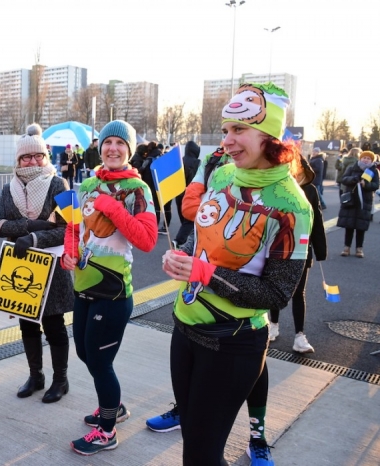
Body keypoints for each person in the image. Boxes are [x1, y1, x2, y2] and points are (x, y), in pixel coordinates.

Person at [161, 82, 311, 465]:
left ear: (270, 136)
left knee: (200, 455)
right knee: (195, 447)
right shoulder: (223, 175)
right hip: (184, 328)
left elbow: (277, 293)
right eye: (225, 130)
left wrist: (203, 272)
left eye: (238, 130)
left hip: (233, 343)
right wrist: (184, 260)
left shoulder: (292, 205)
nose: (226, 141)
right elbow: (206, 245)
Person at [61, 120, 158, 456]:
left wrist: (114, 208)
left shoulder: (137, 190)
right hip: (84, 286)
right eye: (107, 142)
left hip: (114, 293)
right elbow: (74, 227)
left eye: (120, 143)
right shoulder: (87, 184)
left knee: (100, 362)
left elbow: (146, 241)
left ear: (129, 150)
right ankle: (113, 408)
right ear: (99, 148)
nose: (113, 148)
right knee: (85, 353)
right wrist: (70, 253)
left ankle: (106, 431)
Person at [0, 124, 73, 403]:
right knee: (27, 323)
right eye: (27, 157)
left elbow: (68, 228)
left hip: (51, 265)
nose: (33, 162)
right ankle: (35, 375)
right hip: (21, 266)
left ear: (46, 157)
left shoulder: (58, 184)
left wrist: (34, 237)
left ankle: (60, 379)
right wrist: (28, 224)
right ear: (18, 160)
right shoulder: (8, 187)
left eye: (38, 156)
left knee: (54, 325)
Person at [270, 155, 327, 353]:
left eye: (297, 170)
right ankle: (273, 325)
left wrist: (320, 251)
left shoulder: (310, 190)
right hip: (277, 248)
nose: (294, 174)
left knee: (299, 292)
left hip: (302, 250)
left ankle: (299, 336)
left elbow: (317, 221)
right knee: (273, 287)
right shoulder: (276, 188)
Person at [337, 150, 379, 258]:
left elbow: (376, 185)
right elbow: (344, 179)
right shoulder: (352, 167)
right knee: (349, 225)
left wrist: (366, 185)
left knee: (361, 227)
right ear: (360, 158)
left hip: (364, 201)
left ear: (372, 160)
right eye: (364, 158)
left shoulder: (373, 171)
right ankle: (346, 248)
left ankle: (359, 249)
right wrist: (354, 179)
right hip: (351, 200)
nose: (366, 160)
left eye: (368, 158)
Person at [173, 141, 201, 247]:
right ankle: (179, 241)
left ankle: (183, 241)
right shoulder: (197, 162)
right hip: (191, 195)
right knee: (189, 221)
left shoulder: (180, 161)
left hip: (178, 194)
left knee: (184, 220)